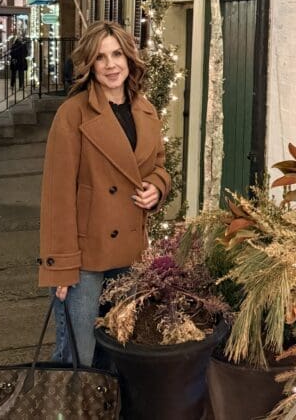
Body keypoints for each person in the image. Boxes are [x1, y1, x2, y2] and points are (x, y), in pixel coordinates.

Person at [38, 21, 170, 367]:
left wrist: (157, 187)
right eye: (100, 58)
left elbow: (158, 164)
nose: (111, 65)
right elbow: (57, 196)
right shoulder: (73, 114)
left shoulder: (146, 110)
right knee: (80, 357)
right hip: (85, 258)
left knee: (121, 350)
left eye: (116, 54)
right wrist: (60, 267)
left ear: (129, 58)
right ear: (90, 65)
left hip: (130, 254)